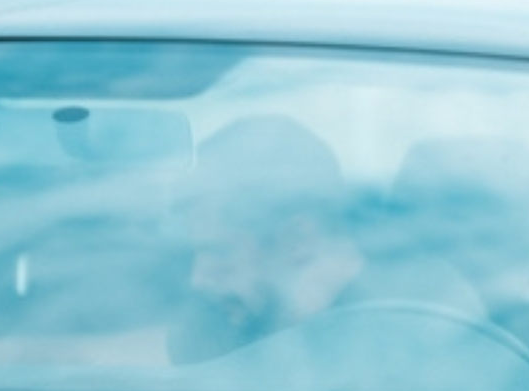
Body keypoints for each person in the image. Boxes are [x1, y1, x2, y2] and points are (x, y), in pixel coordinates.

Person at [168, 114, 485, 363]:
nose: (198, 279)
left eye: (221, 252)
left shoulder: (428, 325)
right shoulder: (224, 327)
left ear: (298, 240)